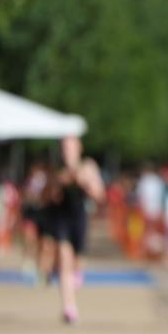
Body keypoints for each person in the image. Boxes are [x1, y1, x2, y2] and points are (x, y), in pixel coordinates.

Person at [48, 136, 105, 323]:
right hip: (61, 218)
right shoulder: (57, 169)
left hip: (79, 218)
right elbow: (48, 196)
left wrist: (82, 181)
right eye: (64, 147)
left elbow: (99, 195)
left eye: (70, 147)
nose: (66, 151)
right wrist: (58, 184)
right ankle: (69, 307)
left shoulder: (88, 167)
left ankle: (75, 280)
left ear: (79, 148)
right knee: (64, 261)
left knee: (77, 262)